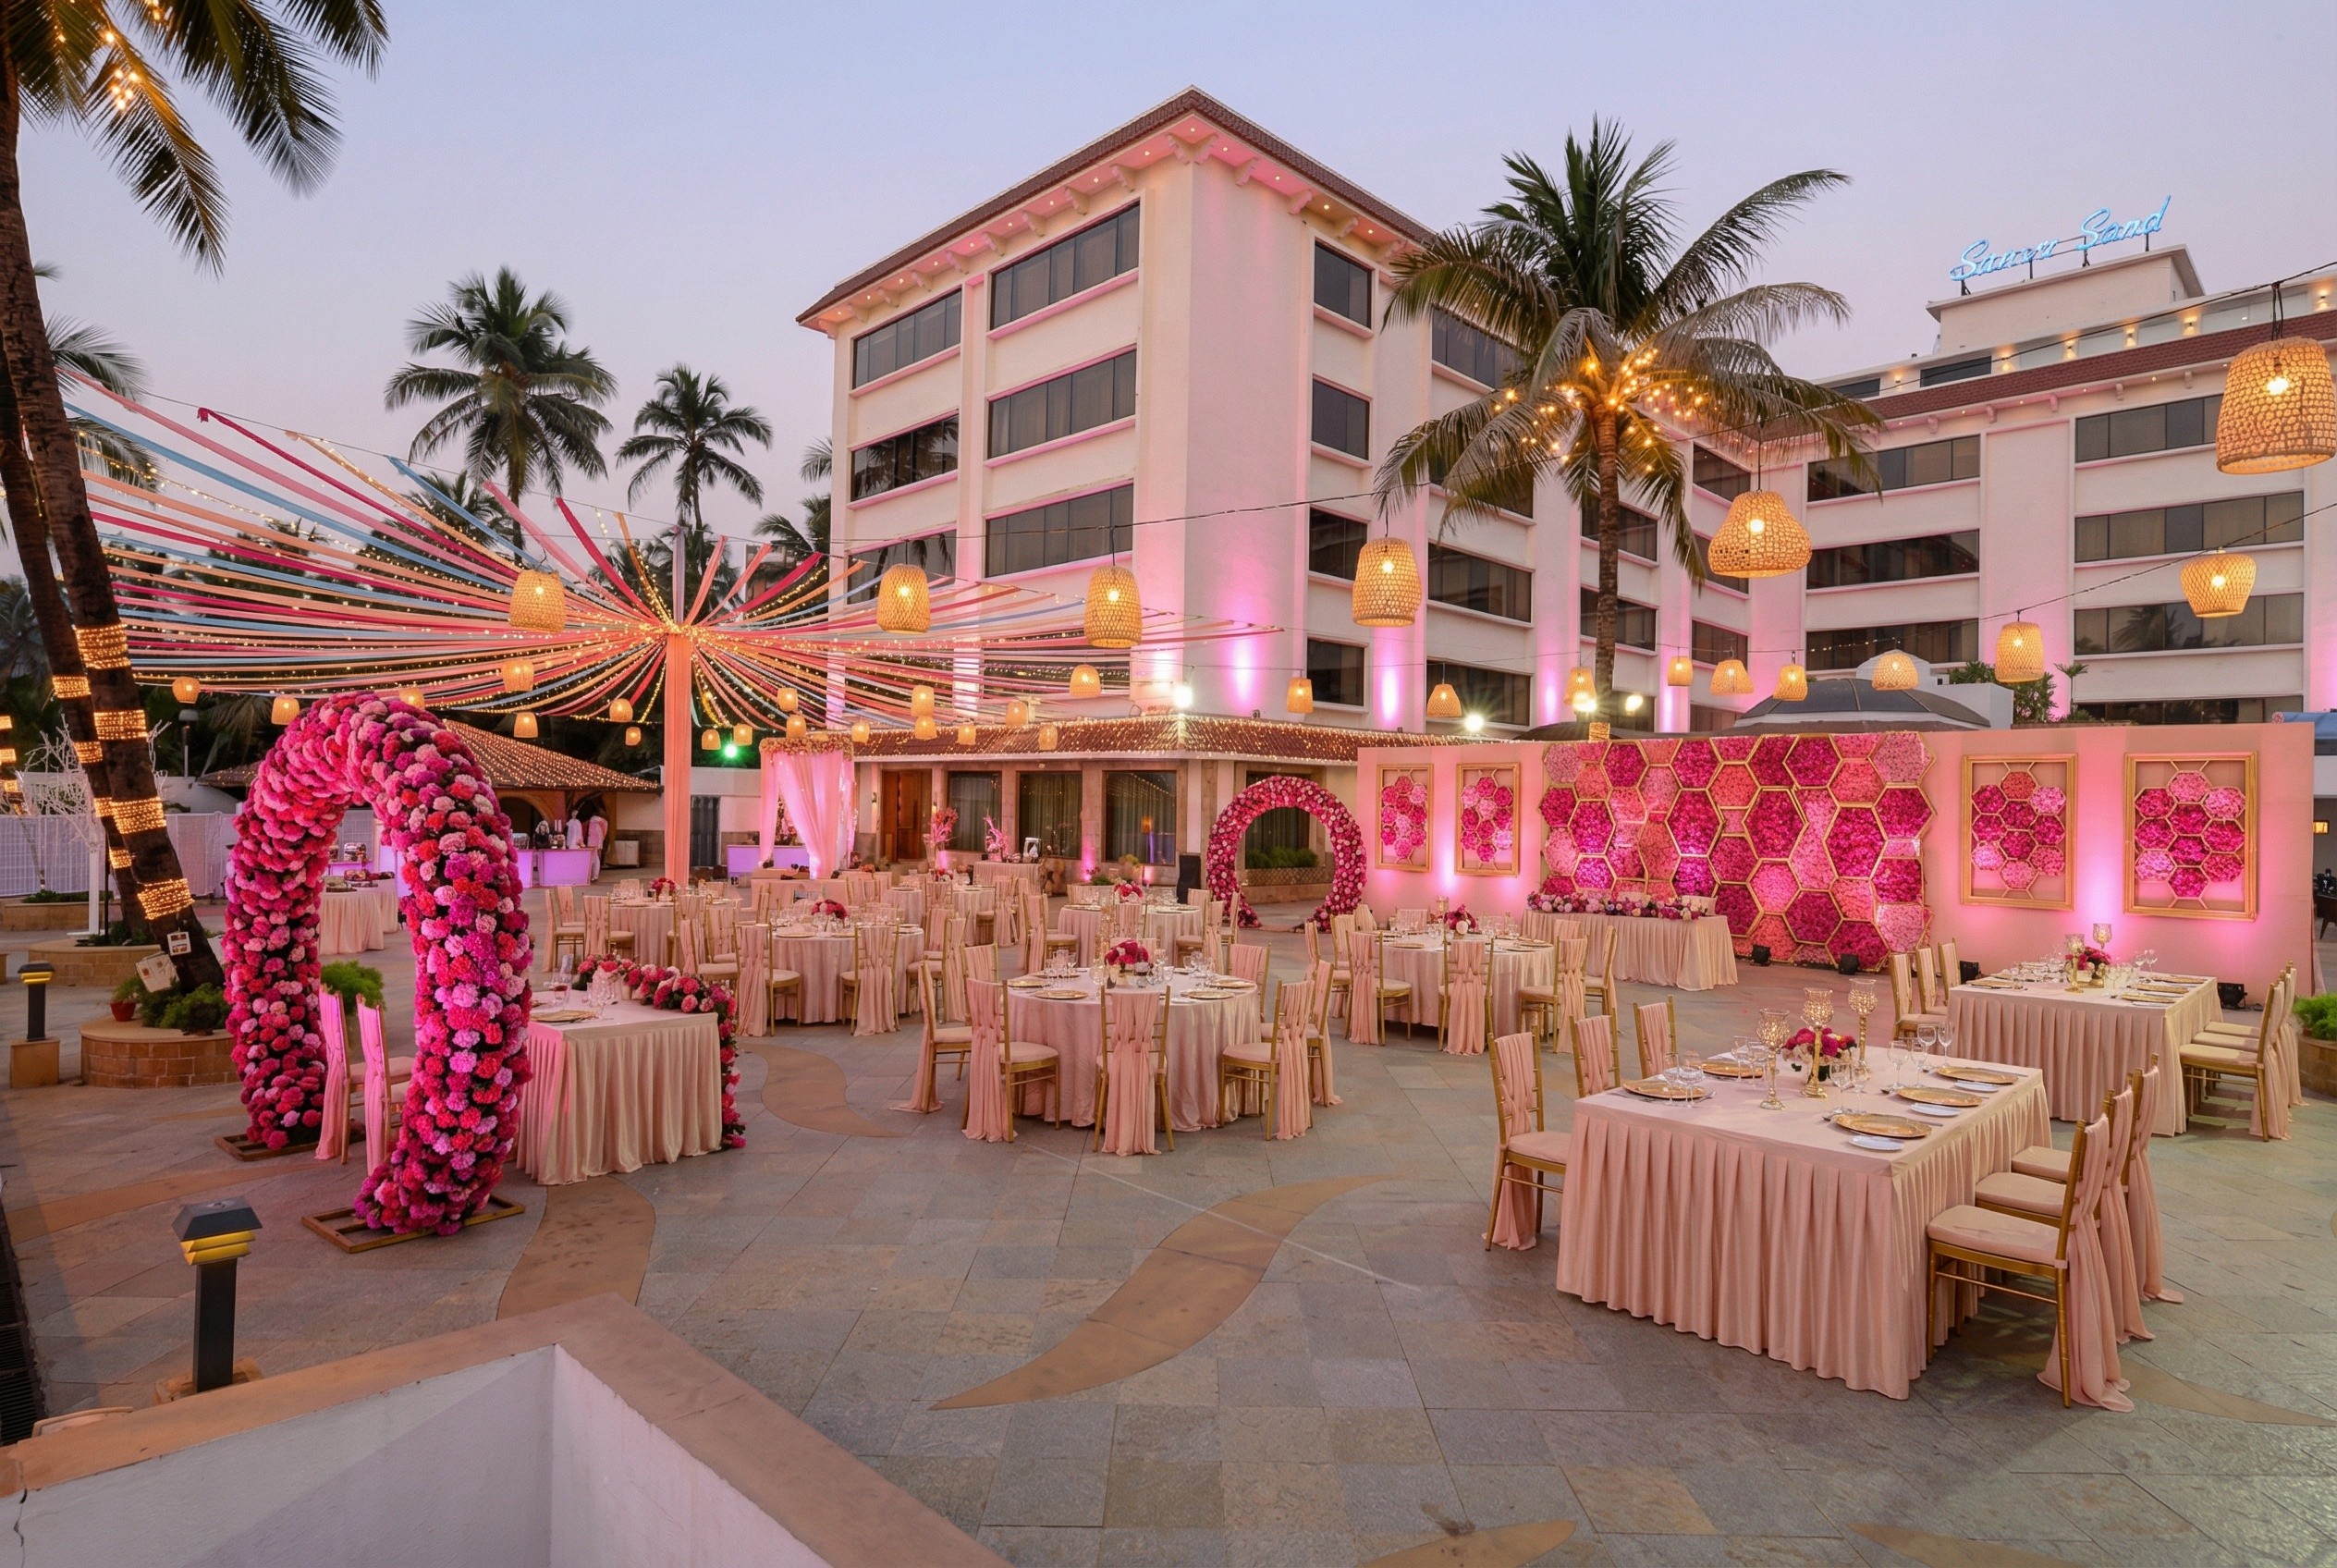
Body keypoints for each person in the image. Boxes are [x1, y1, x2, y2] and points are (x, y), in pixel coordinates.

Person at [585, 812, 608, 880]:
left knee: (592, 858)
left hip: (591, 841)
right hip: (598, 841)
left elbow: (589, 832)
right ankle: (596, 874)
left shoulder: (592, 820)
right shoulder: (603, 821)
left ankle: (592, 874)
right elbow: (604, 832)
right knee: (597, 857)